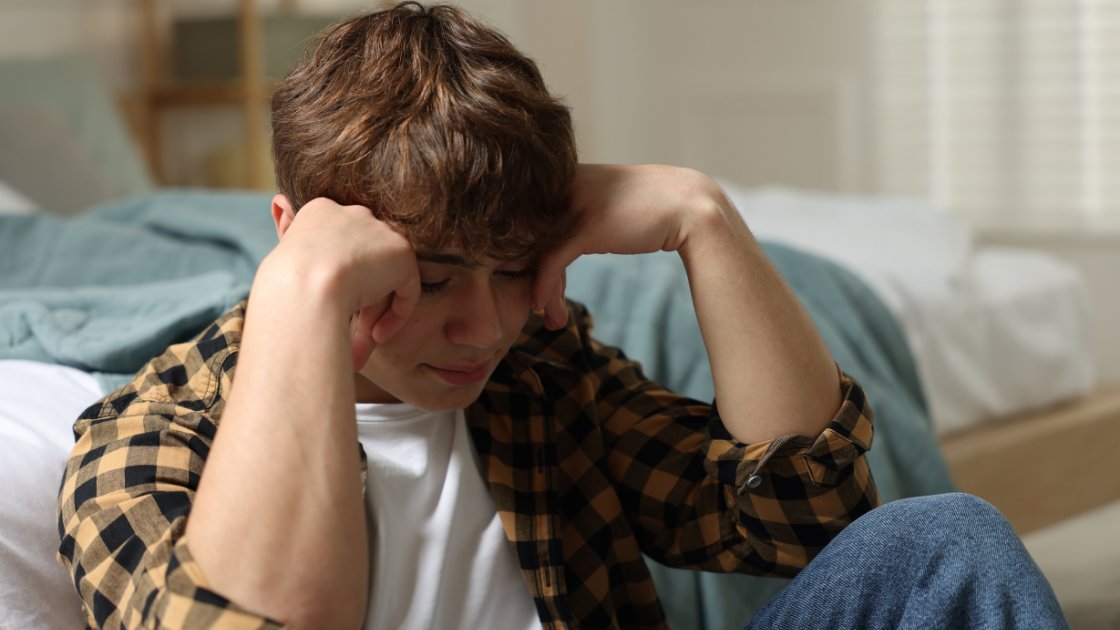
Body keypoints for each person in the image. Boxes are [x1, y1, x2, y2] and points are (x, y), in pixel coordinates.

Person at [57, 3, 1067, 629]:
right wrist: (300, 299)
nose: (487, 327)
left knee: (947, 542)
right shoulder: (147, 437)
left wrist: (702, 221)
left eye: (514, 270)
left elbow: (794, 513)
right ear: (297, 236)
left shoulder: (540, 380)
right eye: (435, 279)